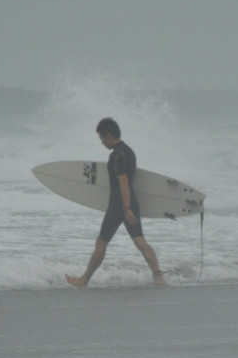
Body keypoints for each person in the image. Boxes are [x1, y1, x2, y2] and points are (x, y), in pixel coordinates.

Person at [66, 117, 166, 287]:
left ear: (109, 135)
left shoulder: (118, 155)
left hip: (119, 204)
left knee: (101, 242)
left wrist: (125, 208)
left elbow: (123, 181)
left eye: (102, 138)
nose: (102, 143)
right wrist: (129, 206)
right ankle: (158, 276)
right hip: (130, 202)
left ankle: (84, 280)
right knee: (139, 240)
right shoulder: (129, 151)